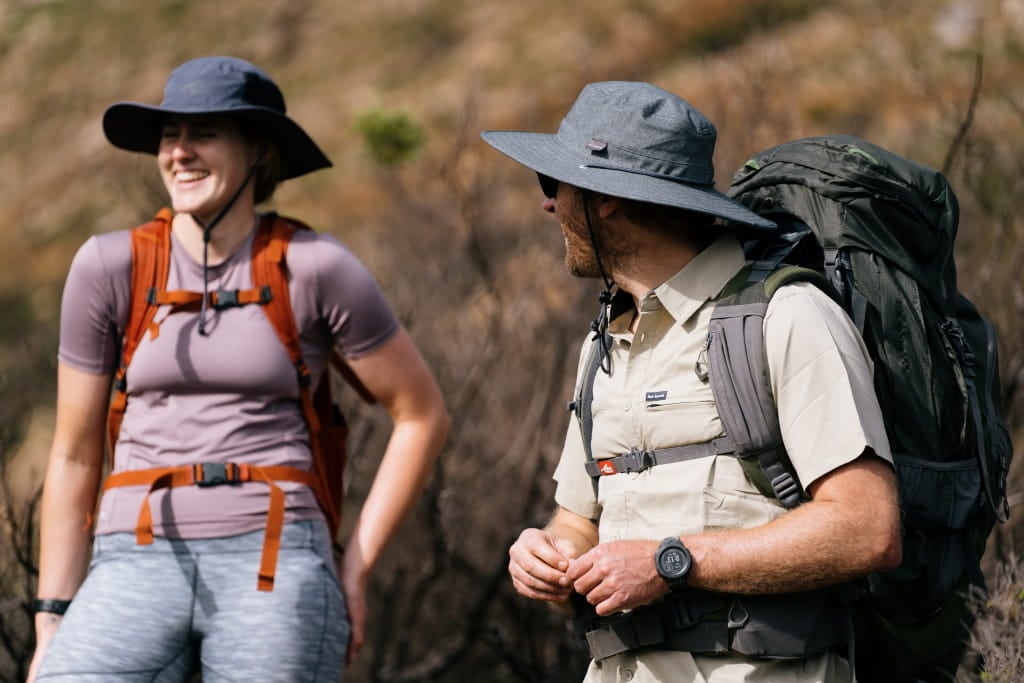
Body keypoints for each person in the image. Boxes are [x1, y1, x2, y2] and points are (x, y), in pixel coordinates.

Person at [29, 55, 450, 682]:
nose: (180, 152)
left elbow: (422, 414)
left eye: (203, 133)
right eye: (170, 135)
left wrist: (354, 568)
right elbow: (73, 456)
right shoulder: (109, 267)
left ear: (258, 150)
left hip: (277, 559)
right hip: (132, 561)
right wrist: (51, 621)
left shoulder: (314, 266)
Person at [482, 81, 901, 682]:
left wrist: (671, 562)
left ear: (606, 200)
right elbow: (577, 518)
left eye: (555, 185)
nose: (548, 206)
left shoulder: (788, 315)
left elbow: (867, 528)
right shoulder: (603, 344)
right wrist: (548, 554)